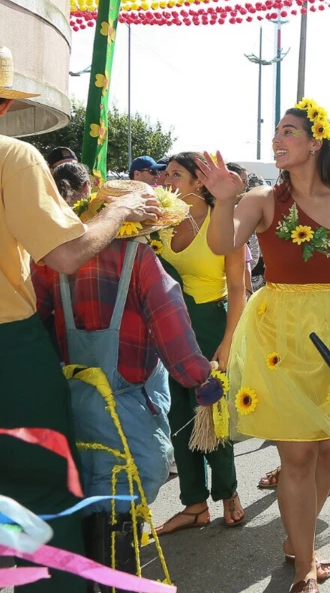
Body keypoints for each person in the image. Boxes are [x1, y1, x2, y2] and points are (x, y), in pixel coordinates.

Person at [195, 98, 330, 593]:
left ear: (315, 141)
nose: (277, 140)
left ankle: (297, 536)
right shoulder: (261, 199)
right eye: (276, 132)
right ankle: (305, 561)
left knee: (329, 453)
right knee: (298, 456)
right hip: (279, 334)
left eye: (288, 132)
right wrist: (222, 200)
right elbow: (222, 245)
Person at [0, 46, 164, 593]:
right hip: (10, 352)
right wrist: (118, 212)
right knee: (41, 492)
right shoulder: (13, 158)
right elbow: (66, 256)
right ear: (5, 106)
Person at [33, 178, 223, 573]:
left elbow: (34, 324)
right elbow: (175, 336)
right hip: (125, 403)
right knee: (126, 492)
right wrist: (202, 380)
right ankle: (113, 569)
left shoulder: (55, 261)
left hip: (68, 399)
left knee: (81, 488)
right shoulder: (140, 261)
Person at [153, 152, 249, 535]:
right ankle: (194, 505)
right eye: (165, 175)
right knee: (177, 415)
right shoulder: (160, 221)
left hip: (209, 324)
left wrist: (228, 341)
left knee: (212, 412)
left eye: (176, 175)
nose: (166, 181)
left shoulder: (223, 222)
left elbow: (239, 290)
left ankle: (228, 493)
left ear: (198, 183)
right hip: (167, 326)